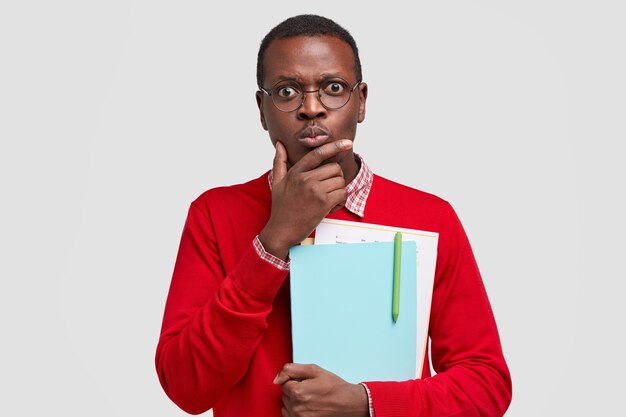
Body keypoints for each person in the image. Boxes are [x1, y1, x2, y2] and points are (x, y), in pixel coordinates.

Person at [155, 14, 512, 417]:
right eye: (287, 91)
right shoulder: (215, 214)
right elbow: (186, 388)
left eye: (333, 88)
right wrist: (273, 241)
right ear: (261, 109)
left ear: (361, 102)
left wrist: (366, 403)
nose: (311, 108)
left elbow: (487, 387)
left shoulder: (432, 218)